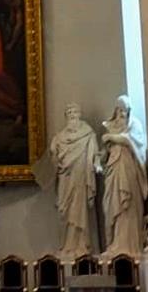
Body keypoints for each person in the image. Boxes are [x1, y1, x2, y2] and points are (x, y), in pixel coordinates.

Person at [47, 102, 100, 258]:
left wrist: (96, 164)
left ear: (79, 114)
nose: (72, 114)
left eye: (74, 112)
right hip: (65, 178)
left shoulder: (88, 134)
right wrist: (53, 153)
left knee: (80, 210)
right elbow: (53, 157)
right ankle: (67, 246)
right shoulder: (59, 137)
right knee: (65, 210)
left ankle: (82, 245)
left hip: (81, 177)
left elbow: (94, 154)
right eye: (69, 112)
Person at [100, 98, 148, 257]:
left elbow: (135, 142)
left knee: (128, 207)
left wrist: (113, 138)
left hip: (129, 170)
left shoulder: (134, 125)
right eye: (119, 110)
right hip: (113, 169)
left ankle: (129, 246)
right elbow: (104, 153)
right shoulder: (110, 126)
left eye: (124, 110)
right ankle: (116, 244)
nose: (121, 113)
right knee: (112, 204)